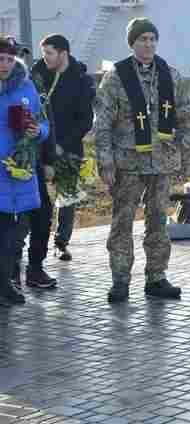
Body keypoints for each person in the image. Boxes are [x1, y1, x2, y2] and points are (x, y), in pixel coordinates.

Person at [94, 18, 190, 303]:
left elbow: (185, 119)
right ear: (132, 43)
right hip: (128, 164)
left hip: (162, 164)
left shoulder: (171, 75)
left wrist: (188, 158)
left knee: (158, 223)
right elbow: (102, 123)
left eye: (152, 39)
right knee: (122, 223)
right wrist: (105, 162)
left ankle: (156, 277)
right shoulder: (116, 77)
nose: (148, 44)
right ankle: (121, 280)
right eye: (142, 39)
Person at [32, 34, 95, 262]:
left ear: (63, 53)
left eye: (49, 53)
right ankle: (31, 243)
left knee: (67, 198)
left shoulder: (80, 79)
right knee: (36, 198)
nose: (45, 58)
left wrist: (61, 144)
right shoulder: (36, 75)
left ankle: (61, 243)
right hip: (39, 148)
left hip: (67, 148)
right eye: (43, 53)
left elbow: (86, 120)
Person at [0, 35, 50, 304]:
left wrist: (37, 130)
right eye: (0, 59)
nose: (5, 64)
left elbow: (43, 123)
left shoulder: (26, 86)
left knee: (14, 233)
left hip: (19, 171)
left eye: (9, 59)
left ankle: (6, 283)